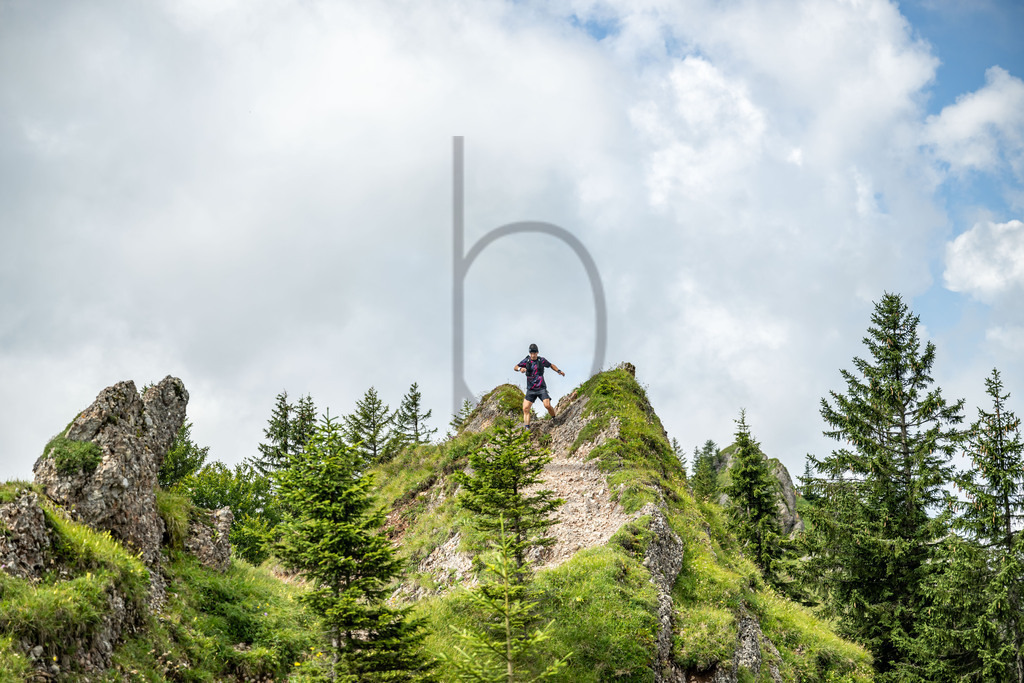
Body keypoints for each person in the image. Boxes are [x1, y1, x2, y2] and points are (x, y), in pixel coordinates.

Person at [513, 343, 564, 425]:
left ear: (537, 352)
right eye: (531, 353)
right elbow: (515, 367)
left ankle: (554, 418)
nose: (533, 355)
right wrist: (520, 368)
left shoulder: (541, 360)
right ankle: (527, 428)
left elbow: (551, 365)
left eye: (534, 353)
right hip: (531, 389)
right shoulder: (526, 361)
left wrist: (558, 371)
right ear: (530, 353)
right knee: (525, 408)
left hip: (541, 388)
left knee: (547, 405)